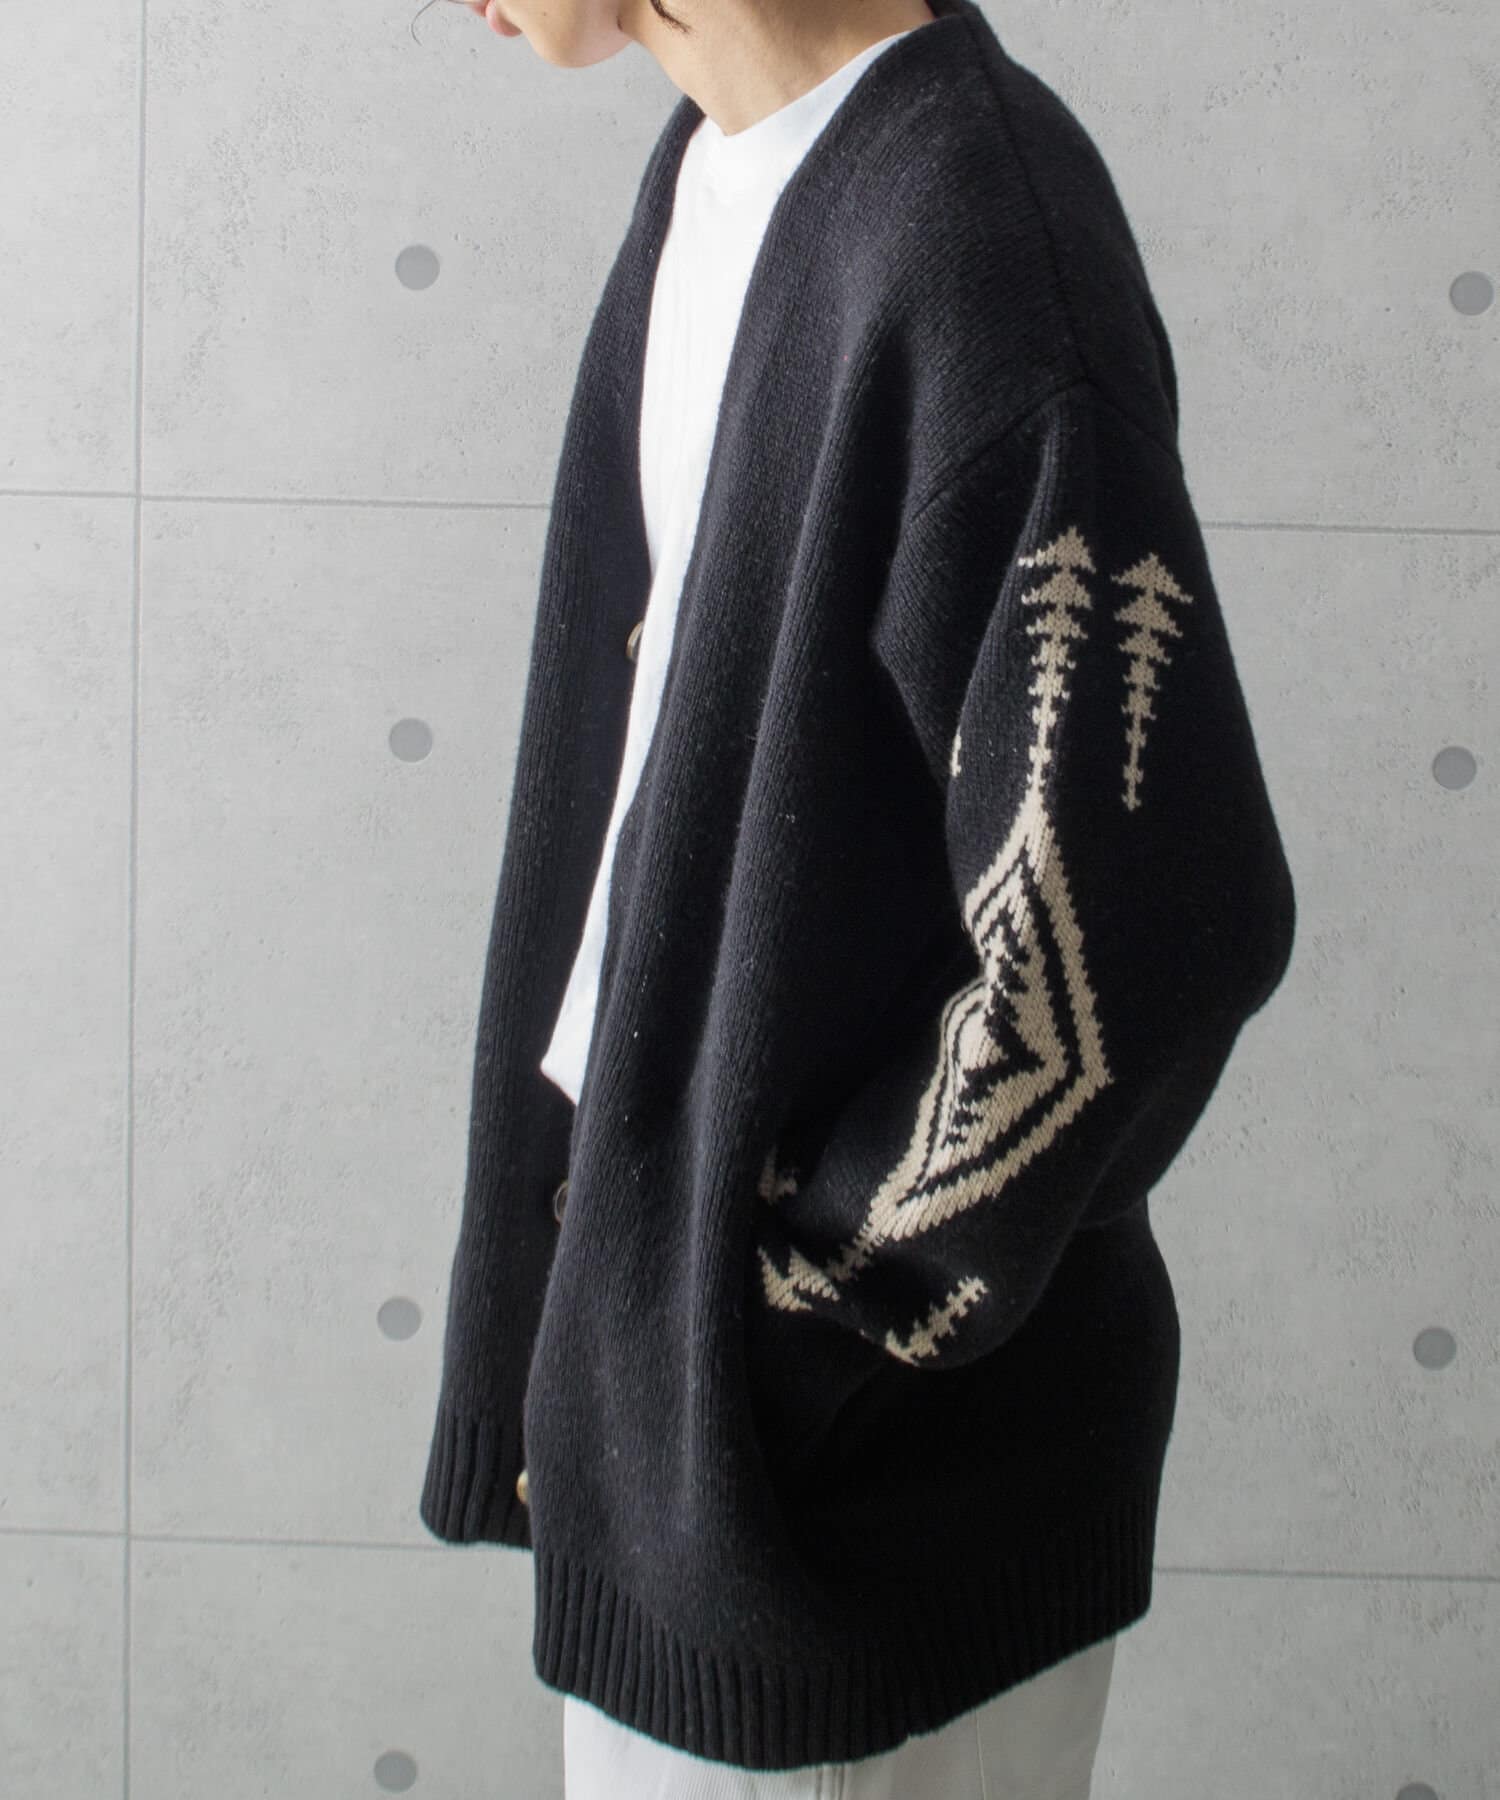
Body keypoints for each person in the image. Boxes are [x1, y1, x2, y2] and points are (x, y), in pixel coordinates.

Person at [417, 1, 1298, 1796]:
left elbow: (1141, 922)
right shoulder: (720, 173)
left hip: (839, 1502)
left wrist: (819, 1301)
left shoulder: (977, 241)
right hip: (689, 1423)